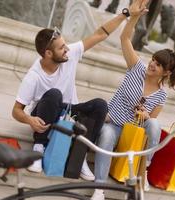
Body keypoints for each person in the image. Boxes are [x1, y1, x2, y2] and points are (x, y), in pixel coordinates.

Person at [12, 4, 134, 180]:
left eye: (65, 45)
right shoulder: (34, 76)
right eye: (61, 48)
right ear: (47, 53)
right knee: (54, 94)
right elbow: (16, 111)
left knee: (100, 104)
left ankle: (80, 153)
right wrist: (29, 119)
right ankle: (39, 147)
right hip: (47, 113)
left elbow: (100, 34)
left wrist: (126, 14)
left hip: (69, 112)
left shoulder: (70, 55)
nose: (67, 49)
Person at [91, 0, 175, 199]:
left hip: (135, 133)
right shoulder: (137, 68)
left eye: (158, 65)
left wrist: (144, 115)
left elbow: (150, 124)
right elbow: (125, 38)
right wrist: (135, 16)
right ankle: (99, 189)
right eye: (153, 60)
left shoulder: (161, 95)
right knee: (106, 136)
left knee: (153, 123)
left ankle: (145, 166)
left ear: (166, 72)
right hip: (114, 124)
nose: (152, 64)